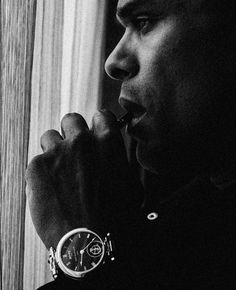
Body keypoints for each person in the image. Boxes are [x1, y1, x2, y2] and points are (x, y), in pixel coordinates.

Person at [26, 0, 236, 288]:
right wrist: (123, 237)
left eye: (144, 21)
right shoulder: (195, 218)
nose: (112, 62)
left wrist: (81, 244)